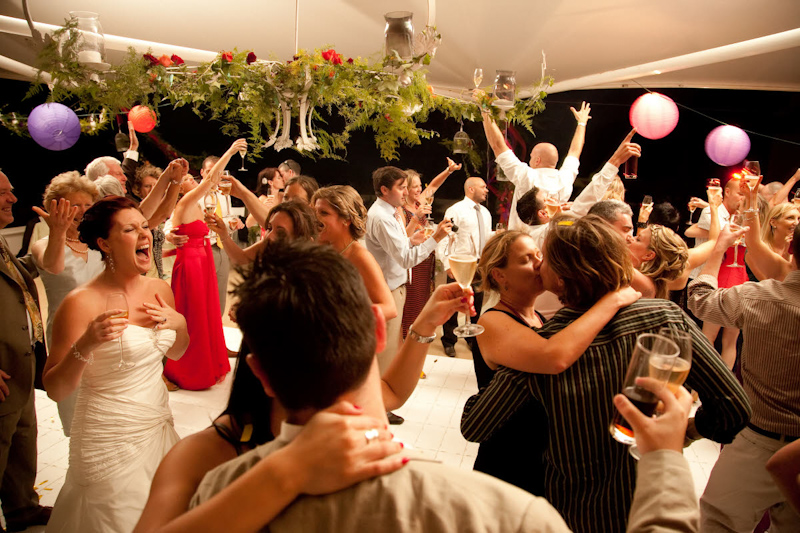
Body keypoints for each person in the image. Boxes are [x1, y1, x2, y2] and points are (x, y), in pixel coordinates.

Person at [188, 239, 701, 533]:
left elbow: (389, 393)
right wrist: (666, 465)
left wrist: (424, 328)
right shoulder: (507, 516)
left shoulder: (219, 495)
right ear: (377, 329)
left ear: (258, 373)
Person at [461, 215, 751, 532]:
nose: (538, 265)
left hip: (570, 512)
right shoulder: (665, 317)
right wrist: (683, 432)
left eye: (543, 257)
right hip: (650, 496)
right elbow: (734, 409)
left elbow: (476, 425)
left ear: (558, 279)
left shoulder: (542, 344)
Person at [43, 196, 189, 532]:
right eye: (130, 229)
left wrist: (179, 324)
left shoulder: (160, 290)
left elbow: (178, 354)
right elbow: (56, 388)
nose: (144, 234)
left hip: (157, 427)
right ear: (104, 244)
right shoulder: (80, 303)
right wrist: (87, 343)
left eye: (144, 226)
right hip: (106, 436)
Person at [469, 230, 640, 494]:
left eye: (539, 255)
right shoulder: (491, 321)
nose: (538, 263)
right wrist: (613, 300)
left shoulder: (538, 317)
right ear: (499, 275)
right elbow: (553, 358)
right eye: (526, 260)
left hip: (541, 454)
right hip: (509, 455)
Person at [688, 223, 800, 532]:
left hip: (759, 441)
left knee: (718, 523)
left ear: (791, 249)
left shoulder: (758, 297)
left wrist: (718, 251)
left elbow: (699, 299)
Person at [164, 143, 244, 390]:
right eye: (186, 178)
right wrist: (230, 152)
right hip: (190, 265)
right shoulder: (186, 202)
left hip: (204, 261)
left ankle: (208, 364)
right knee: (194, 317)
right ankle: (189, 370)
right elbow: (210, 179)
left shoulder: (199, 206)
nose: (190, 178)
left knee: (208, 314)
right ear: (179, 188)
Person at [30, 172, 104, 436]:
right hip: (67, 336)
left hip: (106, 333)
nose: (82, 212)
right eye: (74, 205)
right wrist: (58, 232)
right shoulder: (43, 245)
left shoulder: (100, 244)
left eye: (87, 205)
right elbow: (54, 265)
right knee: (77, 415)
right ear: (56, 208)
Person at [0, 171, 53, 531]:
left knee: (22, 436)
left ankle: (22, 508)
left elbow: (19, 272)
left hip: (20, 360)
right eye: (4, 193)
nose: (13, 199)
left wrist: (60, 235)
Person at [365, 166, 451, 377]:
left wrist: (410, 240)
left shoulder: (391, 211)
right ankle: (383, 405)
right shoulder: (382, 217)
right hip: (389, 288)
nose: (406, 192)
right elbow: (405, 259)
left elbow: (397, 247)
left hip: (395, 285)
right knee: (385, 353)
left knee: (393, 345)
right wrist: (436, 238)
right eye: (401, 188)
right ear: (384, 190)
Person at [481, 101, 591, 231]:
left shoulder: (527, 175)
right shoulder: (565, 178)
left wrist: (484, 107)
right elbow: (575, 151)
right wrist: (581, 123)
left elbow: (498, 145)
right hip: (553, 239)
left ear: (537, 160)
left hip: (524, 240)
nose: (529, 161)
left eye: (531, 157)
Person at [686, 176, 745, 367]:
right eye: (740, 194)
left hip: (732, 277)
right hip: (706, 278)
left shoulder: (741, 216)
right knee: (704, 336)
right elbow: (718, 236)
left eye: (745, 195)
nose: (742, 198)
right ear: (727, 192)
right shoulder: (711, 212)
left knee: (728, 340)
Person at [312, 185, 396, 321]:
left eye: (323, 213)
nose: (315, 219)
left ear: (346, 219)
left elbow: (389, 308)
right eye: (315, 212)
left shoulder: (360, 257)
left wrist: (342, 317)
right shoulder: (319, 250)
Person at [399, 159, 460, 340]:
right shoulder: (401, 210)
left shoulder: (420, 202)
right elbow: (404, 238)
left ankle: (416, 340)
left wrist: (448, 171)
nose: (419, 190)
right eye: (414, 187)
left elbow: (434, 185)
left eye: (420, 186)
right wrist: (416, 219)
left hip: (426, 260)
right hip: (414, 263)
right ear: (406, 189)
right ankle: (407, 339)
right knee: (413, 303)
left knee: (424, 302)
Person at [437, 177, 492, 356]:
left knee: (476, 303)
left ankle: (472, 339)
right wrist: (447, 265)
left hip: (479, 264)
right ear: (470, 189)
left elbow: (483, 236)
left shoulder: (485, 212)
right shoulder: (455, 210)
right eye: (483, 187)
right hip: (459, 264)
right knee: (454, 303)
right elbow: (443, 238)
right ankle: (449, 341)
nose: (486, 190)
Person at [207, 200, 318, 266]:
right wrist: (223, 233)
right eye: (269, 228)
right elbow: (240, 258)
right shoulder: (268, 246)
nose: (269, 236)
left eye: (281, 233)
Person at [746, 201, 798, 281]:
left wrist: (788, 254)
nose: (796, 223)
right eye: (790, 218)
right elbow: (776, 284)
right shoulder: (755, 251)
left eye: (799, 219)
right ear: (773, 222)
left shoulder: (796, 251)